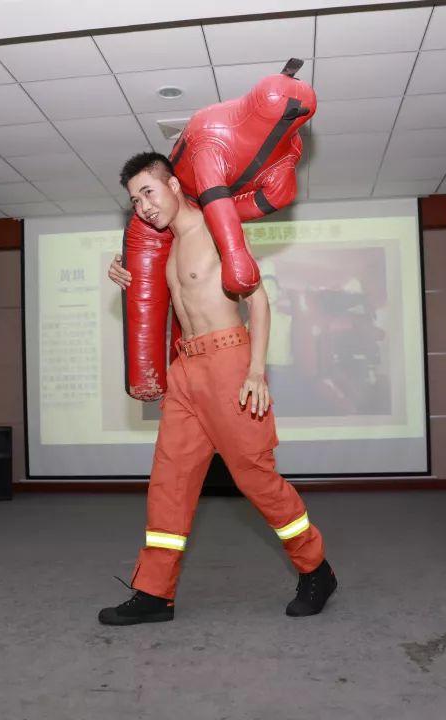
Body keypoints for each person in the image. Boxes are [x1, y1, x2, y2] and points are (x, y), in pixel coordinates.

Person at [99, 152, 337, 626]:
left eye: (148, 191)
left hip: (229, 361)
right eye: (134, 200)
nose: (143, 206)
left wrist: (254, 373)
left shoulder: (215, 227)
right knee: (169, 483)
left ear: (174, 186)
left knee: (256, 479)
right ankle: (154, 593)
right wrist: (125, 273)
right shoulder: (163, 247)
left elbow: (259, 299)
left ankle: (316, 569)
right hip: (185, 371)